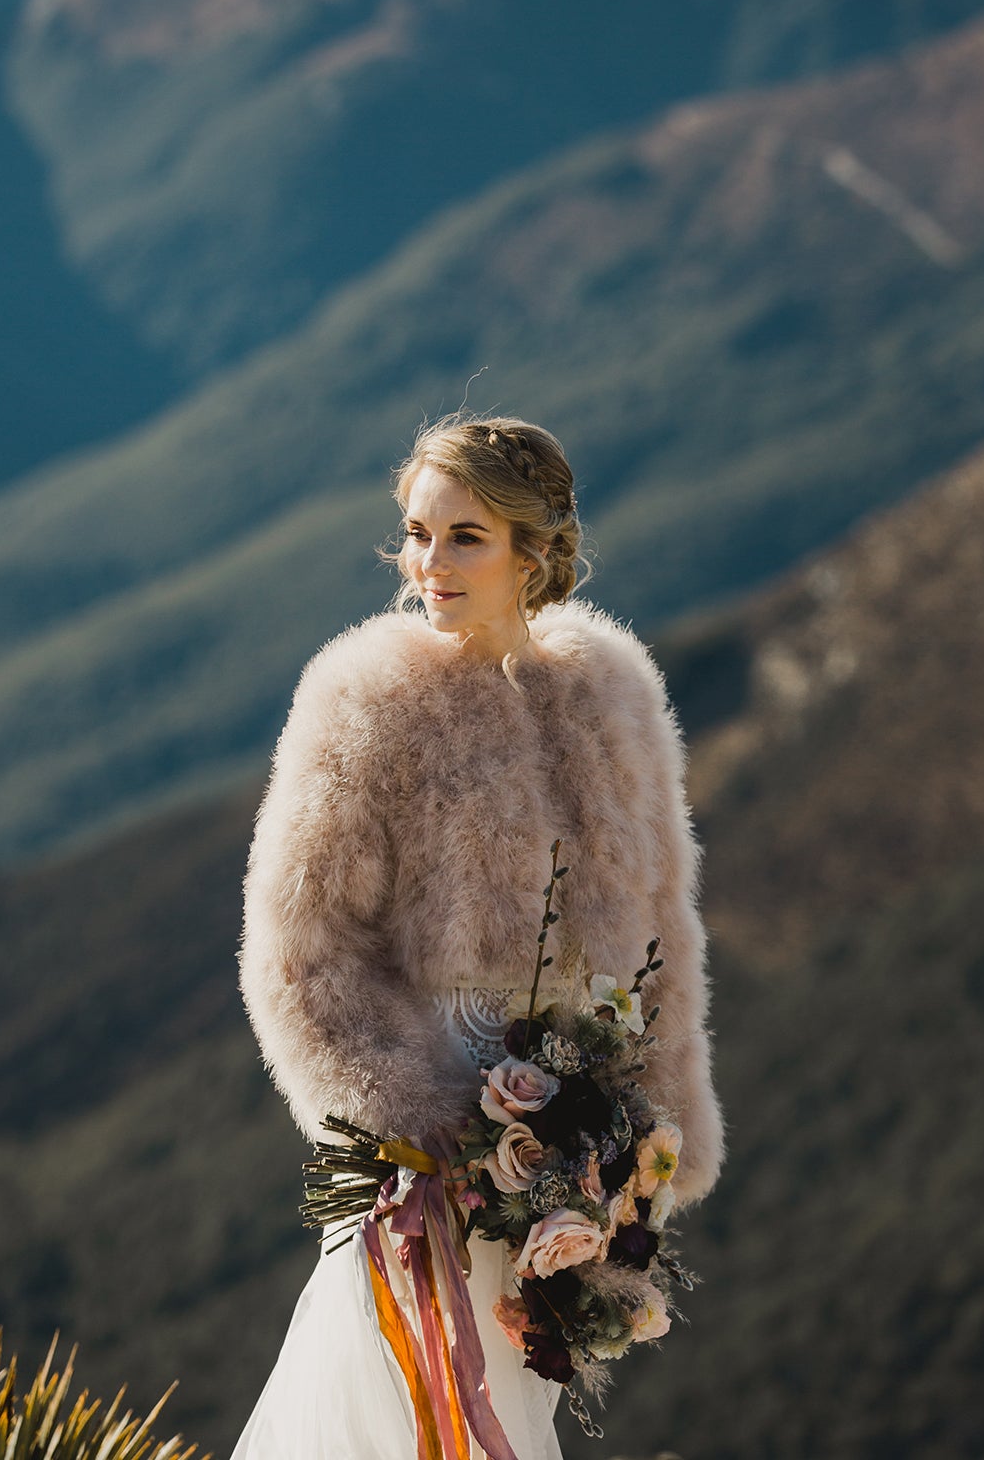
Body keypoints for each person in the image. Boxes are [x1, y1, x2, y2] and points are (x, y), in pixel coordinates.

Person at [231, 414, 725, 1460]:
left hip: (572, 1164)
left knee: (508, 1406)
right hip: (425, 1153)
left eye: (465, 536)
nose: (428, 563)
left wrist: (653, 1136)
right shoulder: (363, 700)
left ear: (534, 551)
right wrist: (423, 1124)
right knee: (386, 1400)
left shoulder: (617, 697)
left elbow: (664, 932)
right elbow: (299, 949)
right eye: (417, 532)